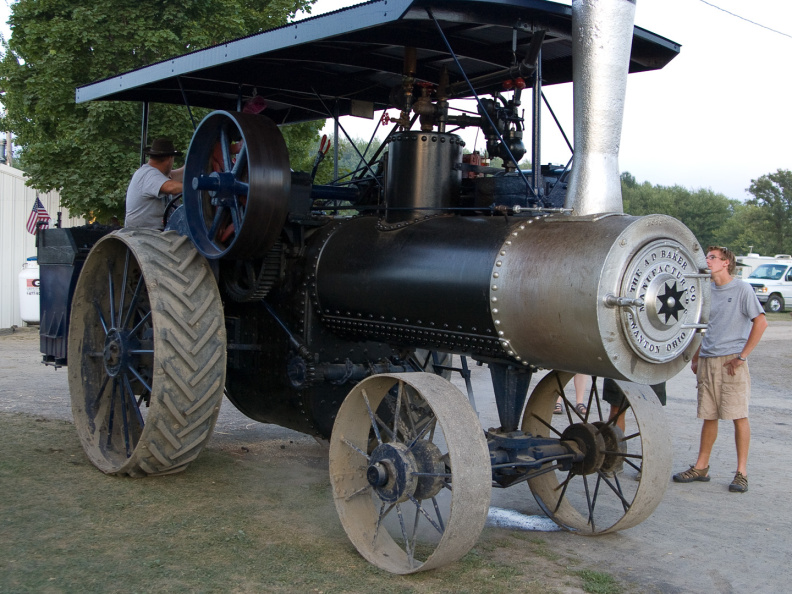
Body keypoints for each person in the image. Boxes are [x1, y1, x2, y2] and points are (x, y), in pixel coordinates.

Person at [672, 246, 767, 493]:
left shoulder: (742, 289)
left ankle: (741, 473)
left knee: (738, 415)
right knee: (709, 415)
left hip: (731, 362)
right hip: (707, 360)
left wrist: (742, 357)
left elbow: (761, 322)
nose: (708, 260)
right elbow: (704, 326)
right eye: (707, 257)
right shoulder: (707, 291)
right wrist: (696, 356)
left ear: (726, 263)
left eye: (713, 257)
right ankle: (701, 467)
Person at [603, 378, 666, 479]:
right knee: (617, 409)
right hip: (620, 366)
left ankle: (648, 463)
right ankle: (615, 458)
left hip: (652, 366)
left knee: (650, 412)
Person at [125, 138, 184, 230]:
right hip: (145, 233)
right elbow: (171, 187)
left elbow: (183, 174)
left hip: (159, 232)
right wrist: (198, 186)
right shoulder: (148, 174)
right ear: (169, 158)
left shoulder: (159, 176)